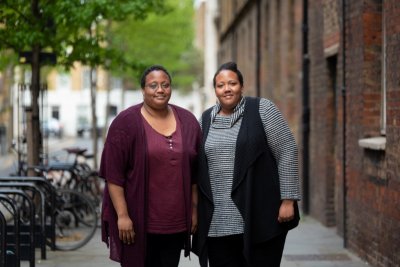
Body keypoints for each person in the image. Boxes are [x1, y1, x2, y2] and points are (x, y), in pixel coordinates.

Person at [193, 62, 301, 267]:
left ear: (241, 86)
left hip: (259, 215)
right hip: (217, 222)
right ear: (215, 90)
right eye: (220, 85)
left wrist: (288, 199)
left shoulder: (262, 109)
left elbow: (287, 149)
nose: (227, 89)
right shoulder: (205, 119)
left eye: (232, 83)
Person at [99, 65, 201, 267]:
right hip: (137, 222)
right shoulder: (125, 123)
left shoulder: (188, 121)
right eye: (153, 85)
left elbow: (196, 173)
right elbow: (114, 175)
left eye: (165, 85)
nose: (160, 90)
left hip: (175, 222)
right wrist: (122, 216)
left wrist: (194, 210)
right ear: (143, 90)